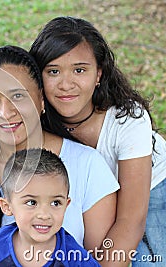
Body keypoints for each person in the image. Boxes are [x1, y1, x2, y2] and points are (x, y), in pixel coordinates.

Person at [0, 45, 120, 267]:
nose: (6, 112)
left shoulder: (87, 165)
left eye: (18, 95)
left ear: (41, 99)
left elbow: (101, 260)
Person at [28, 16, 166, 266]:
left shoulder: (127, 120)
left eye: (80, 70)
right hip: (90, 199)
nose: (66, 84)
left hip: (152, 191)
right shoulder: (29, 111)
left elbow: (130, 220)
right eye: (53, 71)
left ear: (98, 74)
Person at [0, 148, 100, 267]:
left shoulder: (75, 258)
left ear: (66, 205)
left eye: (55, 203)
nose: (44, 215)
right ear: (7, 207)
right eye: (31, 202)